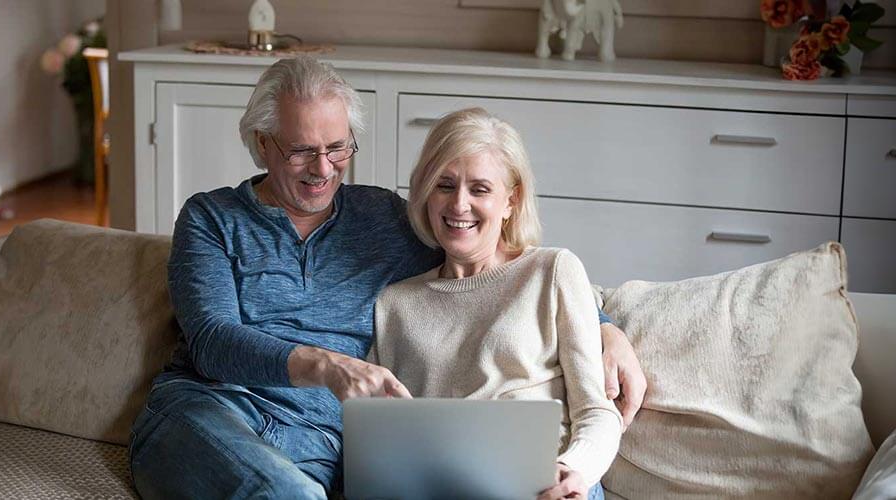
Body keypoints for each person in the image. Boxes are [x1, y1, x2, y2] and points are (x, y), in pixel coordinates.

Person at [128, 56, 646, 499]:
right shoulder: (211, 218)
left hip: (319, 439)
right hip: (212, 412)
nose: (323, 168)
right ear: (262, 143)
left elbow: (483, 262)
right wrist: (327, 368)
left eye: (338, 148)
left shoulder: (384, 219)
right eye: (301, 150)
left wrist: (603, 325)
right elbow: (213, 342)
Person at [370, 108, 619, 500]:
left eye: (480, 189)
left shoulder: (552, 271)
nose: (459, 205)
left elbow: (598, 411)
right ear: (424, 192)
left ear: (510, 200)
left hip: (545, 487)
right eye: (445, 185)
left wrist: (576, 470)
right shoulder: (393, 304)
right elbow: (378, 435)